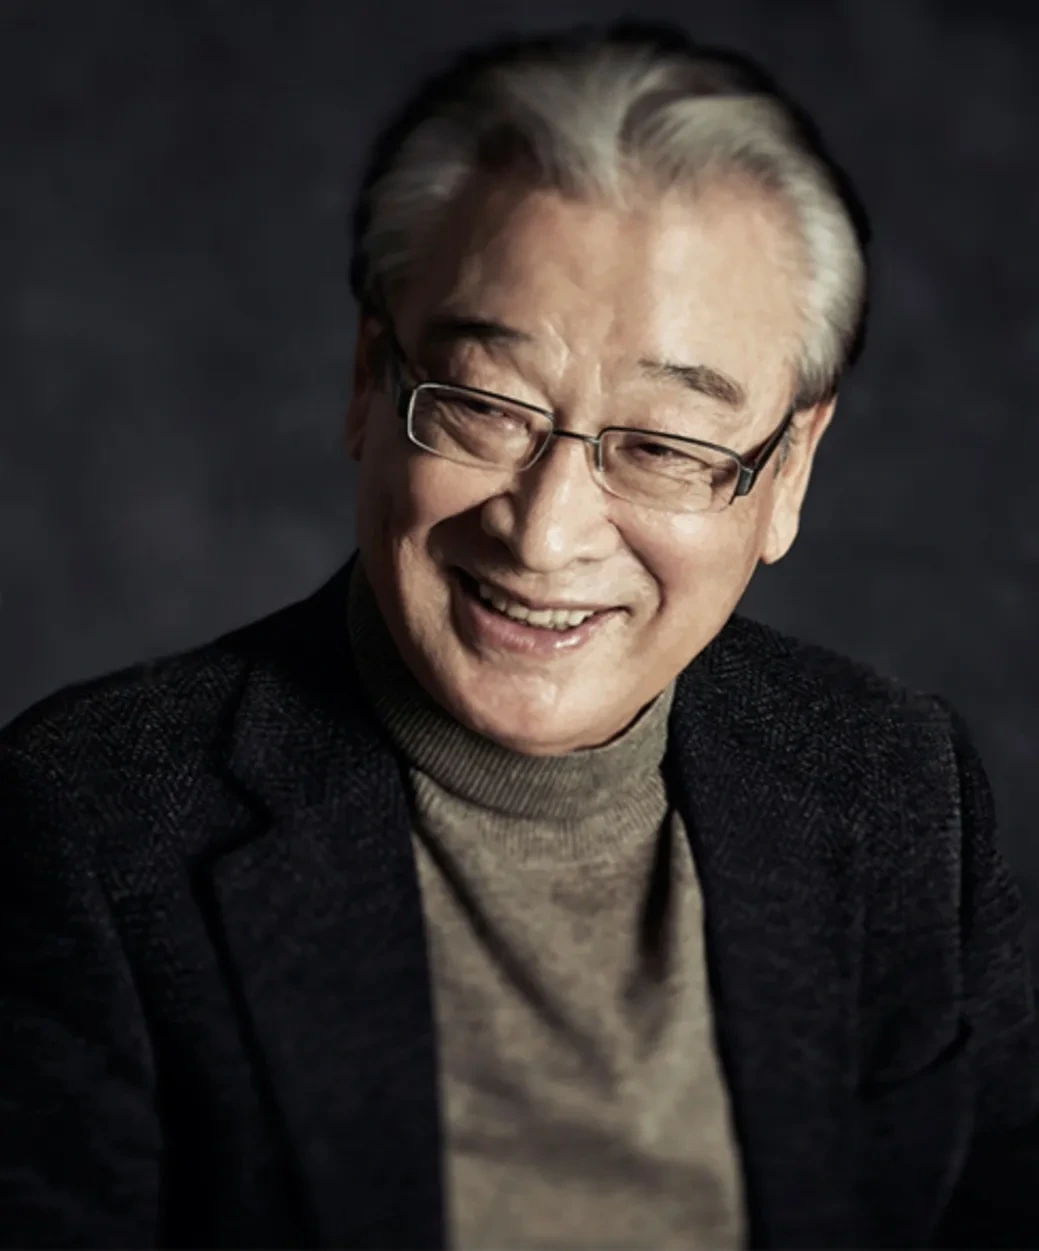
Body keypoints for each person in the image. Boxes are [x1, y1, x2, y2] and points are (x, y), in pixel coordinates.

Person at [1, 19, 1036, 1250]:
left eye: (661, 445)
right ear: (368, 380)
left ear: (788, 472)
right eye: (486, 408)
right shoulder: (89, 823)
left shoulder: (896, 785)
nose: (544, 535)